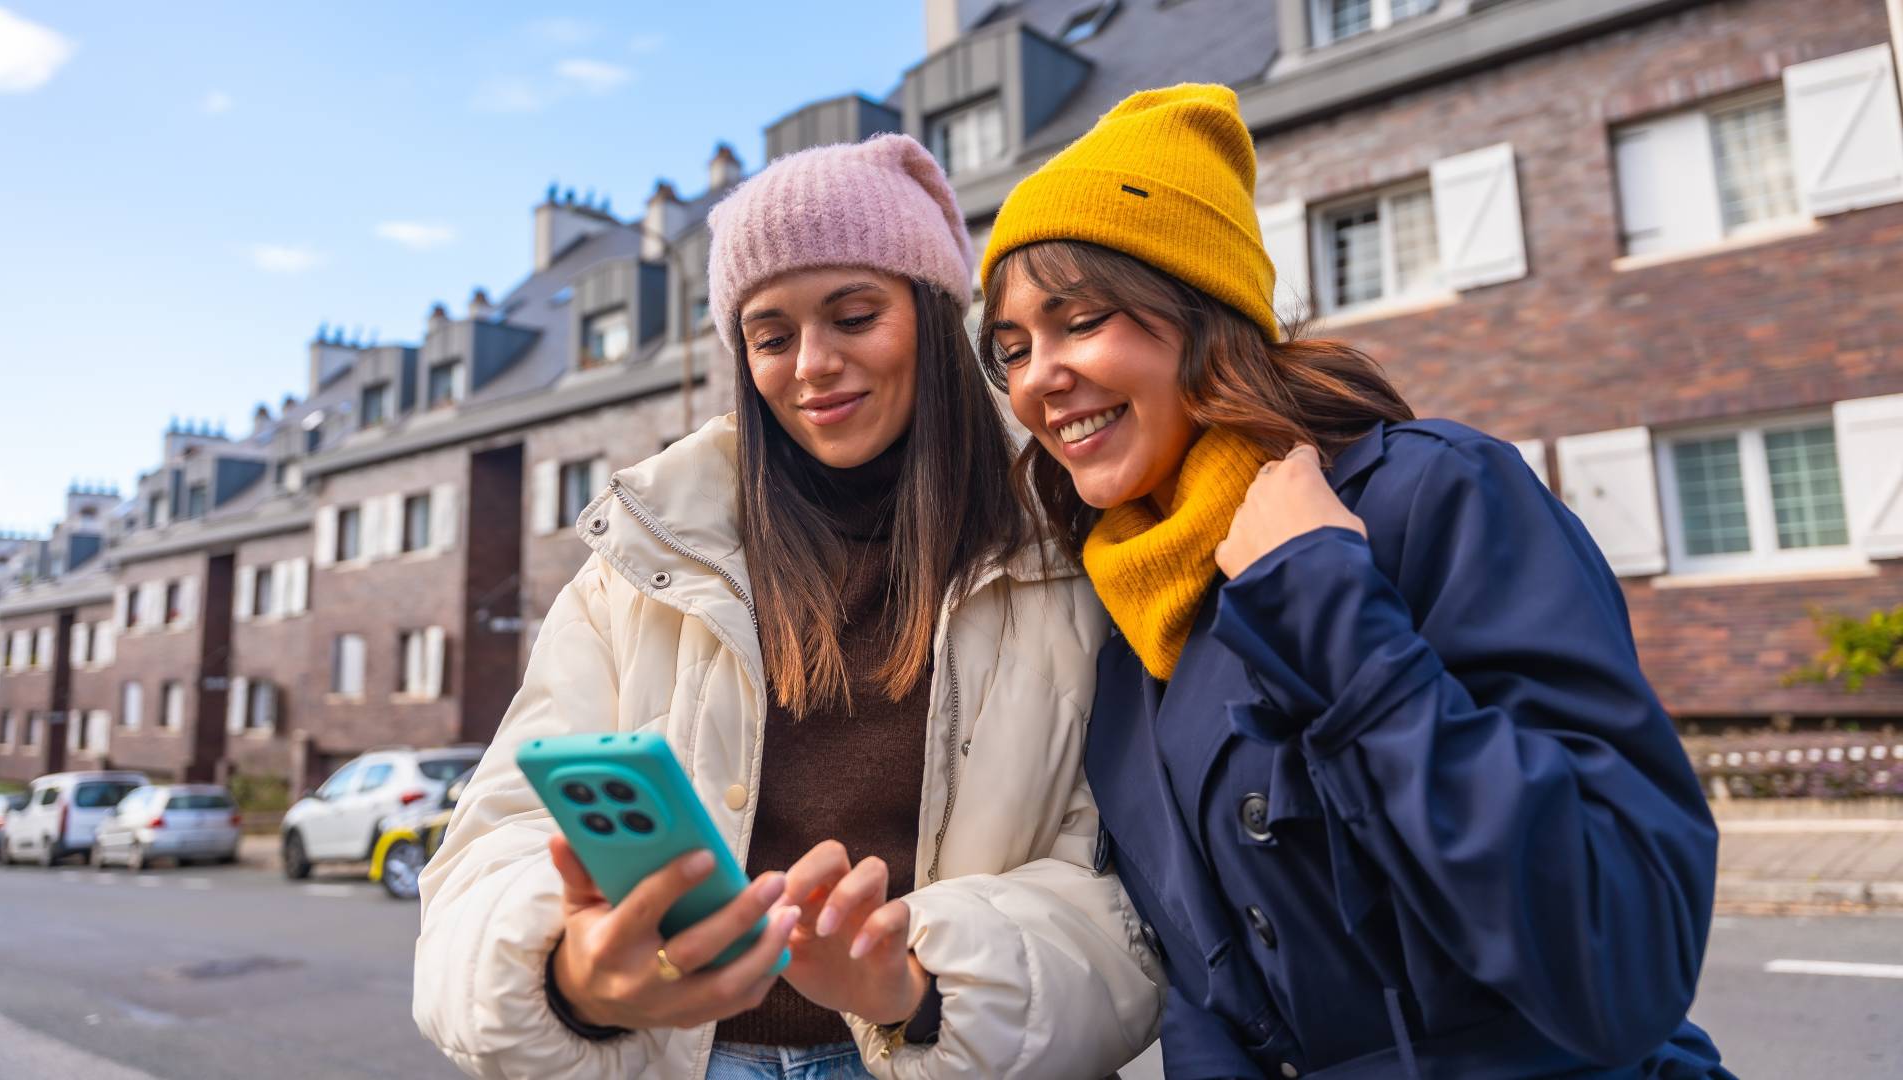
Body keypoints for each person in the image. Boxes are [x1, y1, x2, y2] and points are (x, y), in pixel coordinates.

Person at [977, 83, 1733, 1079]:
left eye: (1079, 320)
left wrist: (1325, 601)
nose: (1037, 378)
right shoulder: (1127, 620)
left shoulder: (1427, 495)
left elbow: (1620, 952)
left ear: (1202, 312)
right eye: (1013, 348)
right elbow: (1207, 1008)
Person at [412, 133, 1160, 1080]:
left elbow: (1124, 902)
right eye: (770, 336)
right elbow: (495, 839)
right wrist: (569, 975)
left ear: (935, 320)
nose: (811, 363)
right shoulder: (642, 563)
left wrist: (919, 983)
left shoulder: (1069, 555)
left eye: (854, 316)